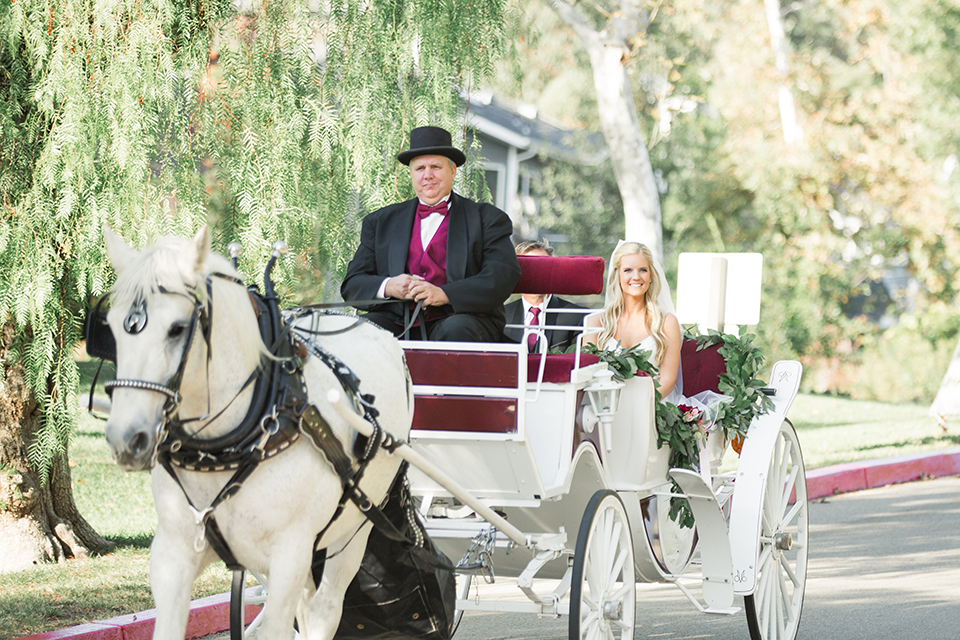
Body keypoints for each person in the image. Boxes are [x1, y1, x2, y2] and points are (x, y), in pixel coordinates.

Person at [341, 126, 521, 341]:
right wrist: (389, 286)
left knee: (456, 329)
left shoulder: (487, 219)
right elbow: (352, 284)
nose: (428, 175)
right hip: (398, 320)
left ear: (453, 171)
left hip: (462, 319)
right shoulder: (380, 222)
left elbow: (501, 276)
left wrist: (445, 294)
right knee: (362, 331)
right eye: (420, 168)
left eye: (436, 167)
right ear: (411, 174)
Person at [585, 241, 683, 402]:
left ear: (651, 275)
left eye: (643, 270)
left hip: (652, 406)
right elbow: (588, 375)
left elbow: (668, 381)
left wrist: (638, 407)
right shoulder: (595, 322)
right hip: (605, 407)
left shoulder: (666, 322)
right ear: (617, 275)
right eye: (628, 270)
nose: (636, 277)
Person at [503, 240, 585, 352]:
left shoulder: (577, 317)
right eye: (529, 267)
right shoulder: (502, 316)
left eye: (543, 266)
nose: (537, 274)